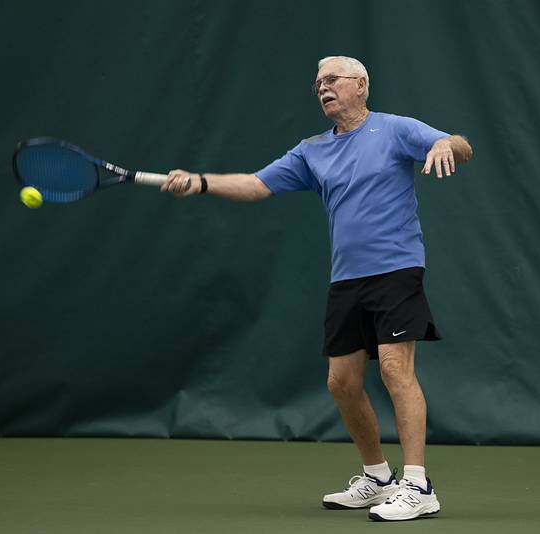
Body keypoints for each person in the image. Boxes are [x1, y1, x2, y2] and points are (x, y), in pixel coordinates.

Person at [161, 55, 473, 521]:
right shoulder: (311, 150)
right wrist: (201, 183)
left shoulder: (394, 129)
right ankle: (377, 477)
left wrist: (448, 145)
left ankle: (417, 485)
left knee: (394, 370)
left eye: (332, 80)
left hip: (397, 269)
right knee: (342, 383)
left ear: (361, 85)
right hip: (346, 278)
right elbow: (255, 185)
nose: (323, 88)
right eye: (318, 83)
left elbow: (459, 144)